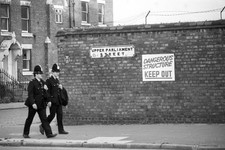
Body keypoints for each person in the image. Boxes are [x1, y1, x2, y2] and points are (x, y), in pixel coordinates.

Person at [23, 65, 57, 138]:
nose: (41, 75)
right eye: (40, 74)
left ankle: (49, 133)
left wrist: (48, 100)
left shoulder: (42, 82)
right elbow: (30, 94)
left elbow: (45, 93)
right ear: (36, 74)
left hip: (41, 104)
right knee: (30, 119)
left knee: (44, 119)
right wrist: (33, 103)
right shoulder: (32, 83)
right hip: (34, 104)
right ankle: (25, 133)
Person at [40, 63, 68, 134]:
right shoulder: (49, 81)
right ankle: (43, 125)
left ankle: (61, 130)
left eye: (58, 72)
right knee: (52, 116)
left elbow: (58, 91)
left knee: (60, 115)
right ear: (53, 72)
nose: (57, 73)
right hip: (52, 101)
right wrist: (48, 101)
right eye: (56, 72)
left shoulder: (57, 80)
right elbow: (47, 92)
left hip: (58, 101)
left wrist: (61, 88)